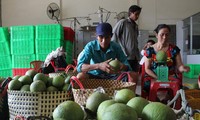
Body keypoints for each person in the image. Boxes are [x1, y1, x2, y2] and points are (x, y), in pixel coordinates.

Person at [143, 24, 190, 99]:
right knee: (147, 84)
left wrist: (183, 68)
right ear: (156, 35)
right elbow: (147, 68)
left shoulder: (174, 49)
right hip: (153, 75)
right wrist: (158, 77)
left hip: (170, 76)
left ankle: (171, 100)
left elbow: (179, 66)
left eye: (167, 35)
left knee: (177, 84)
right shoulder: (150, 50)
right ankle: (154, 101)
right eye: (162, 34)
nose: (164, 37)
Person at [112, 5, 142, 72]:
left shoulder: (136, 26)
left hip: (134, 57)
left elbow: (135, 41)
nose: (137, 16)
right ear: (130, 13)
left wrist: (138, 56)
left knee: (134, 76)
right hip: (125, 56)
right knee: (125, 77)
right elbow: (114, 37)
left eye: (138, 14)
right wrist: (115, 53)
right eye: (136, 14)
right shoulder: (123, 22)